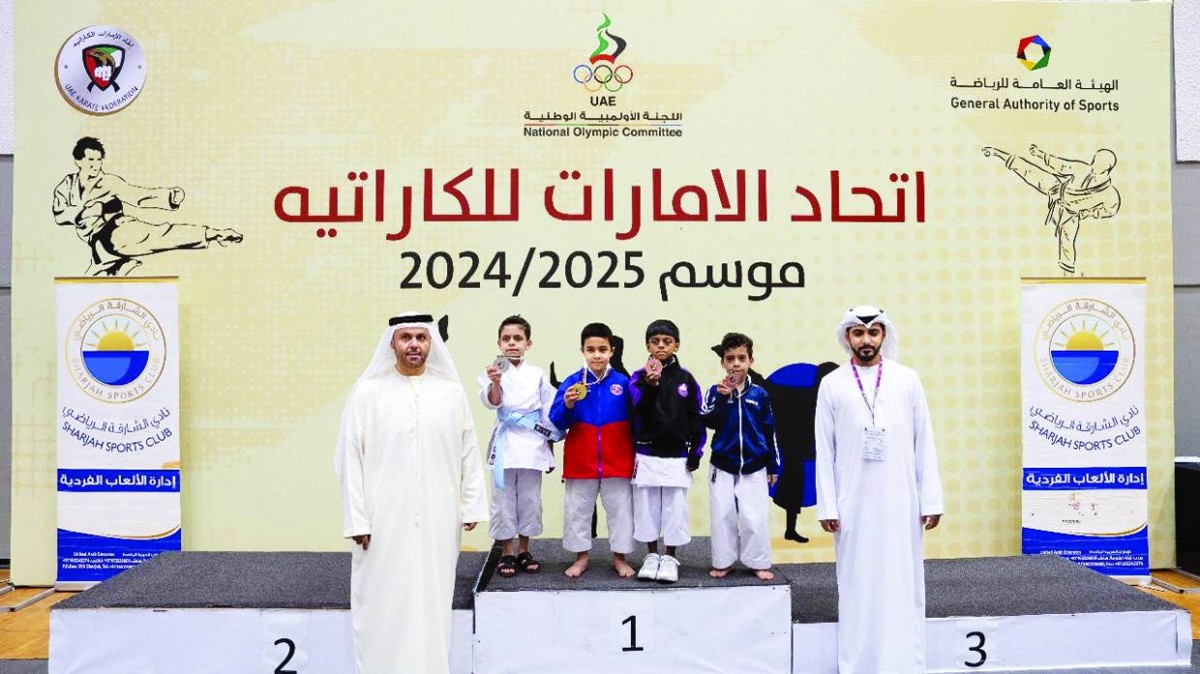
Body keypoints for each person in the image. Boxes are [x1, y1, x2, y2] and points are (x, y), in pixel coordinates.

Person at [335, 313, 488, 674]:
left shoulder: (450, 392)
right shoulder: (369, 392)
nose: (414, 345)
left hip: (439, 515)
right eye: (406, 337)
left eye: (421, 337)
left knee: (432, 599)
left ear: (431, 342)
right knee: (382, 600)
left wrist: (470, 506)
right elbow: (350, 457)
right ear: (392, 342)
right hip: (380, 519)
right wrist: (357, 518)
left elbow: (468, 450)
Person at [814, 306, 944, 674]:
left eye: (873, 332)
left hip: (902, 501)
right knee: (857, 582)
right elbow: (824, 448)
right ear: (847, 338)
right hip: (852, 503)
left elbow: (924, 441)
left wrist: (930, 499)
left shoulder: (907, 380)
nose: (866, 340)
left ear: (884, 335)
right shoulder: (832, 384)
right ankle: (858, 664)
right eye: (858, 333)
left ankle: (903, 662)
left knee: (902, 580)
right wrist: (828, 506)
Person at [51, 136, 243, 276]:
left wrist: (168, 197)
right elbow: (60, 214)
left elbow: (137, 196)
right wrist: (86, 211)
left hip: (117, 229)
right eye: (91, 160)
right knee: (97, 280)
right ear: (78, 161)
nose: (96, 165)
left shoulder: (110, 182)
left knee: (158, 234)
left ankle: (210, 234)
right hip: (98, 245)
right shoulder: (66, 186)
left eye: (99, 159)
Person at [549, 322, 636, 578]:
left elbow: (637, 420)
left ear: (612, 351)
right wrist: (567, 405)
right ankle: (581, 558)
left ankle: (619, 558)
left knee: (621, 512)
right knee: (578, 512)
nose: (597, 355)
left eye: (602, 349)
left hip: (617, 462)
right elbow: (556, 421)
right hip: (580, 462)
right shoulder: (571, 383)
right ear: (582, 351)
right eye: (591, 350)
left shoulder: (624, 383)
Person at [479, 315, 560, 577]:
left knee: (530, 500)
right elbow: (492, 402)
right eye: (507, 339)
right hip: (505, 442)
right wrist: (495, 382)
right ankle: (507, 551)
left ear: (528, 343)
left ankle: (524, 549)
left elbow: (547, 411)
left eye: (518, 338)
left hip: (533, 443)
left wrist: (549, 449)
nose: (512, 343)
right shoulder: (494, 371)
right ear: (499, 343)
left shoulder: (537, 374)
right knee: (503, 500)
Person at [629, 319, 704, 583]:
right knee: (646, 508)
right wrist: (650, 387)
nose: (661, 346)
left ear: (676, 345)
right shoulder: (638, 377)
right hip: (647, 453)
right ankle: (651, 555)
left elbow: (696, 416)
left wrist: (696, 451)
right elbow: (634, 408)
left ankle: (670, 557)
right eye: (655, 341)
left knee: (675, 509)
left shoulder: (686, 379)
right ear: (647, 346)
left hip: (677, 455)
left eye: (667, 341)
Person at [702, 332, 779, 581]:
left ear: (750, 361)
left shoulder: (760, 394)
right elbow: (708, 421)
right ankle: (723, 561)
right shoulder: (714, 392)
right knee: (722, 514)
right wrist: (723, 399)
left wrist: (773, 465)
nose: (736, 364)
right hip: (722, 464)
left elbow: (769, 430)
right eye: (730, 358)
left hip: (755, 464)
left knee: (754, 517)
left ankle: (757, 561)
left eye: (741, 358)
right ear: (723, 362)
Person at [981, 144, 1120, 276]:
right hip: (1057, 191)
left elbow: (1110, 210)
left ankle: (1067, 278)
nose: (1093, 165)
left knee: (1067, 245)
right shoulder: (1082, 168)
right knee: (1030, 171)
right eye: (1094, 161)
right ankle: (996, 152)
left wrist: (1086, 213)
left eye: (1099, 163)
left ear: (1107, 167)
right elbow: (1061, 165)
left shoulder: (1110, 194)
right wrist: (1039, 154)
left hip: (1070, 214)